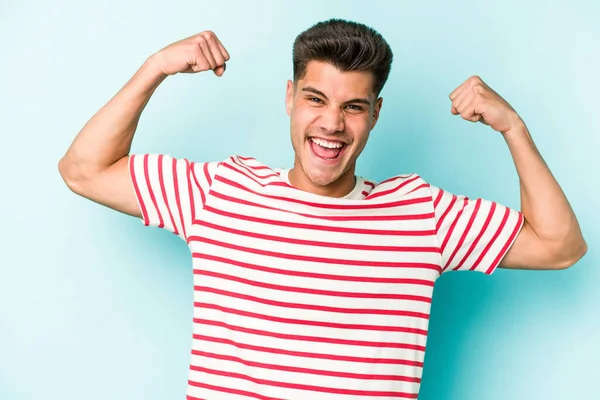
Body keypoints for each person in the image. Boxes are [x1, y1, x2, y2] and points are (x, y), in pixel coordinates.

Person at [59, 18, 586, 400]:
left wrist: (513, 128)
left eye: (353, 106)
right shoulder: (219, 193)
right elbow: (83, 169)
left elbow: (560, 246)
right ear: (290, 98)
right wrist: (155, 68)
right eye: (316, 99)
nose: (332, 124)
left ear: (376, 114)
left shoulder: (419, 214)